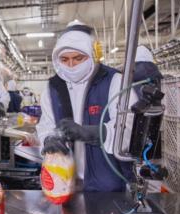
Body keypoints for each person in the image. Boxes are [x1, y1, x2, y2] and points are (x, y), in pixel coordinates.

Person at [36, 20, 138, 192]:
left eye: (78, 58)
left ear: (92, 55)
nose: (71, 65)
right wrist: (49, 138)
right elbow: (45, 124)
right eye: (64, 59)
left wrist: (94, 133)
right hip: (65, 183)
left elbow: (130, 127)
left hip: (109, 186)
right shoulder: (53, 88)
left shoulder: (114, 81)